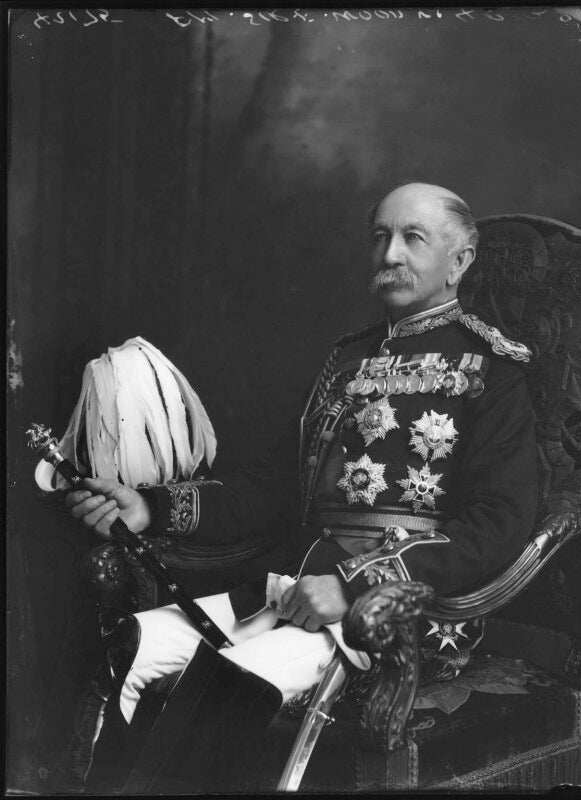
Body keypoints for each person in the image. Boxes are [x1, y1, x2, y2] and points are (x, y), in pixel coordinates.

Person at [66, 182, 538, 791]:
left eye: (413, 238)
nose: (390, 253)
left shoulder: (493, 369)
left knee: (229, 684)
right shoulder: (344, 361)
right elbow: (273, 491)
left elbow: (499, 523)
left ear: (460, 261)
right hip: (291, 588)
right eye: (380, 236)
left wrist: (355, 586)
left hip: (398, 617)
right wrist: (151, 508)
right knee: (125, 645)